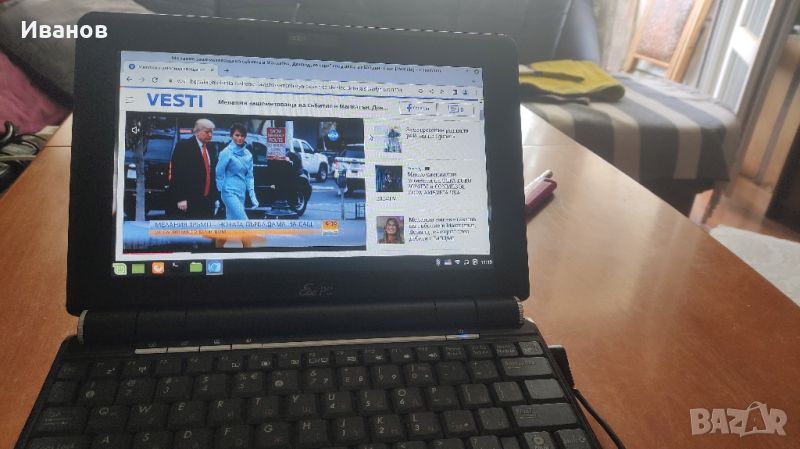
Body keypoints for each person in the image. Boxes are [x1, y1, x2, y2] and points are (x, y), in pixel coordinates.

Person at [169, 119, 218, 219]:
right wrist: (181, 198)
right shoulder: (184, 147)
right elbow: (177, 174)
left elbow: (212, 174)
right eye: (207, 132)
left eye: (211, 132)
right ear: (197, 131)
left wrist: (215, 198)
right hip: (189, 201)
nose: (210, 135)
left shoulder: (211, 148)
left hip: (208, 201)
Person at [216, 123, 258, 220]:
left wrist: (252, 196)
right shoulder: (226, 152)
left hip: (241, 191)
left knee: (232, 221)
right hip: (228, 192)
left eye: (242, 136)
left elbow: (250, 176)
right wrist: (218, 195)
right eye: (237, 135)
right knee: (243, 221)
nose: (240, 138)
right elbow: (219, 173)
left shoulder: (248, 154)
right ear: (232, 136)